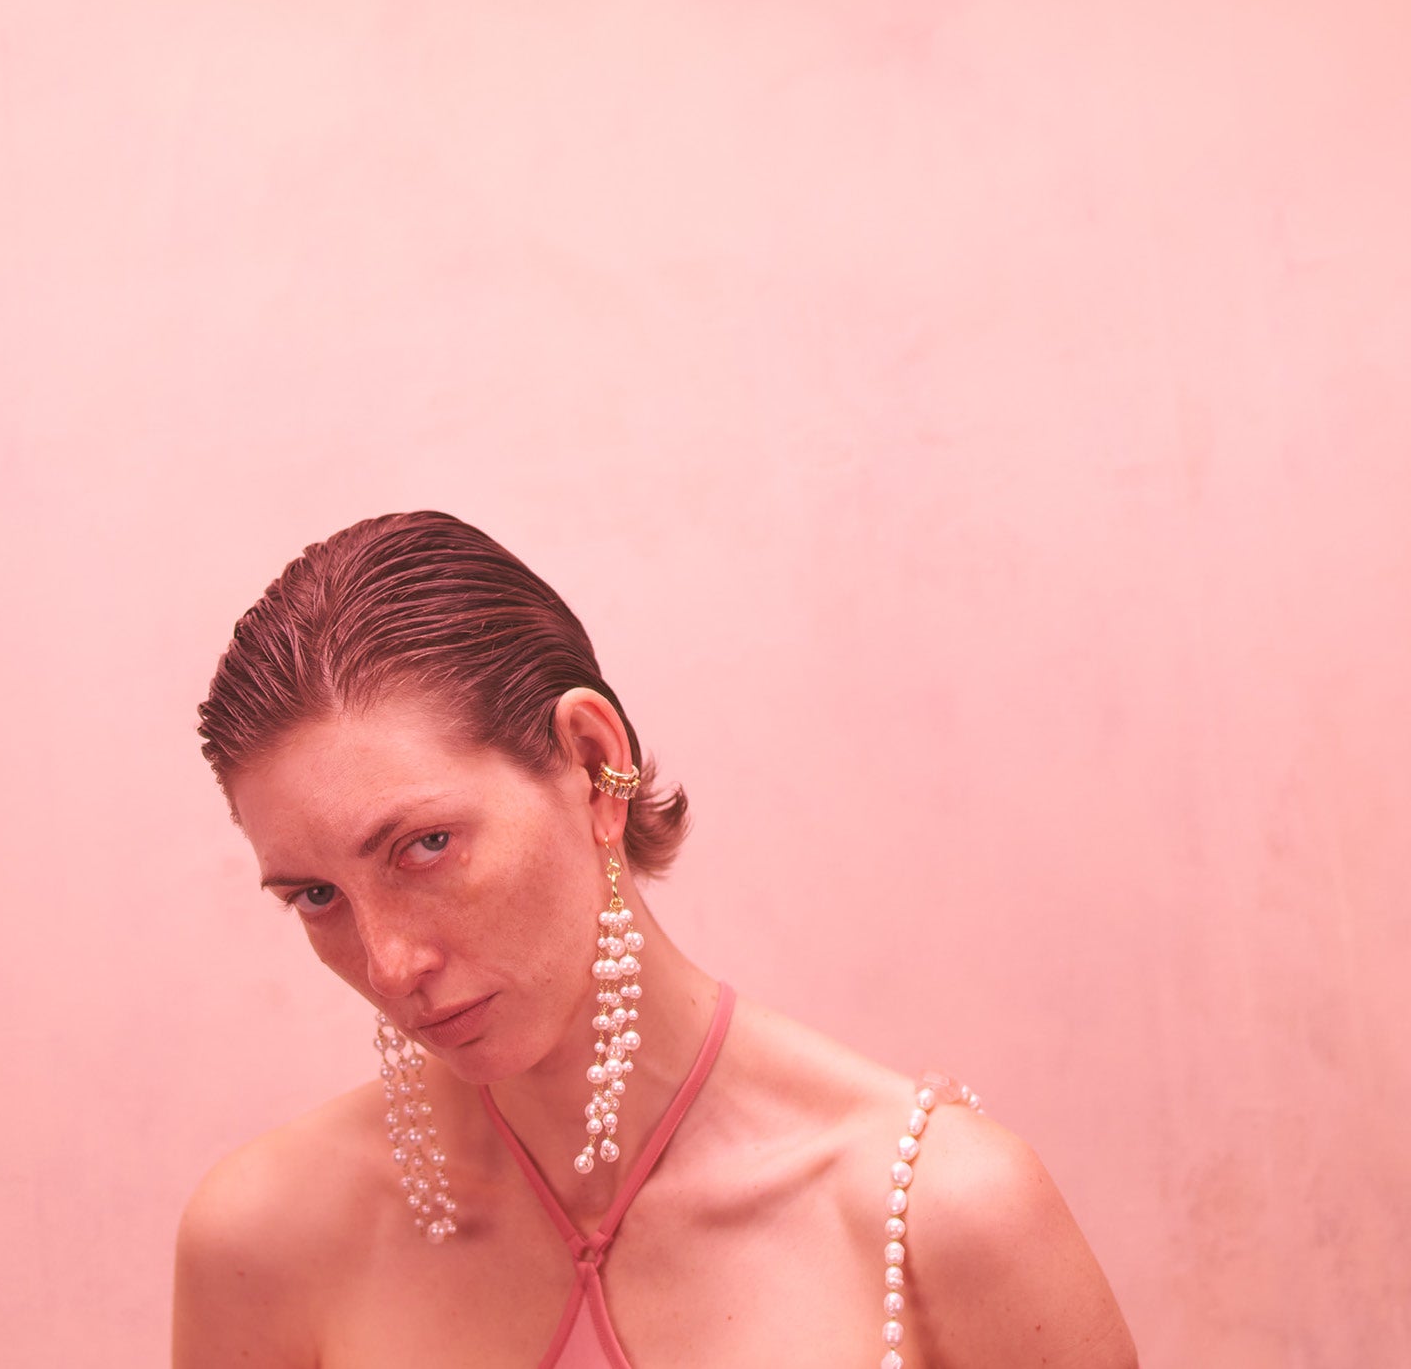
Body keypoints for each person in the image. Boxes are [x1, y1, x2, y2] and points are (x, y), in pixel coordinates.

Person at [174, 510, 1138, 1369]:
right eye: (316, 896)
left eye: (425, 846)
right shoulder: (263, 1242)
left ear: (595, 764)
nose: (389, 965)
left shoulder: (941, 1217)